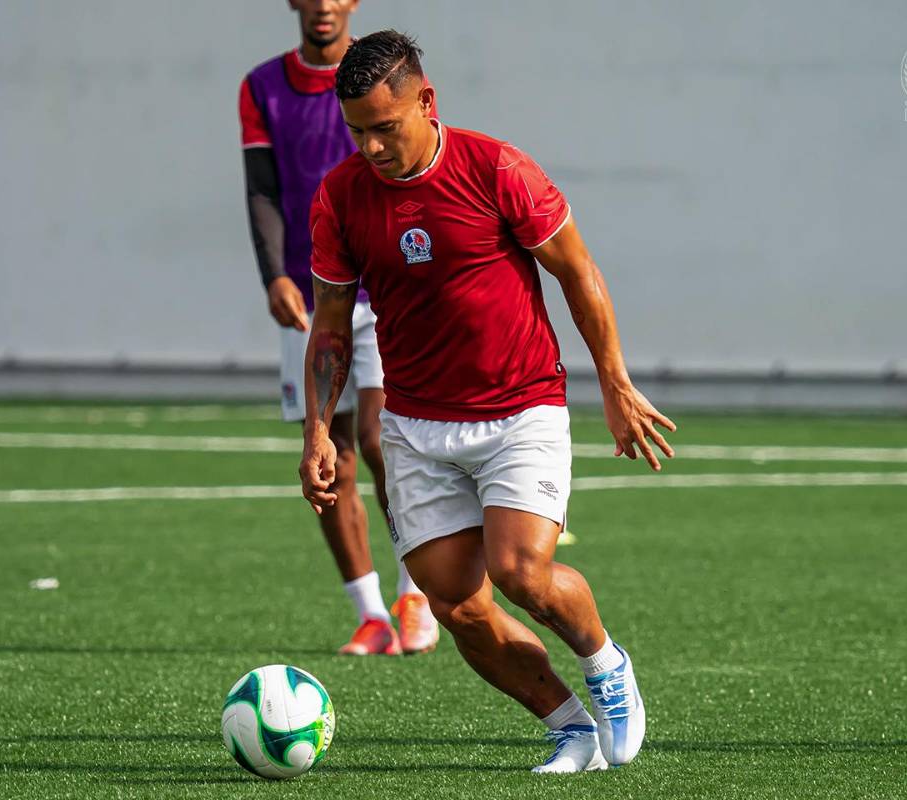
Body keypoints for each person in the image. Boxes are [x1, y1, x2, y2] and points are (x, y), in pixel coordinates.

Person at [300, 31, 676, 772]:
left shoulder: (496, 168)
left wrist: (614, 381)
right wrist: (317, 429)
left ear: (426, 101)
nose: (371, 148)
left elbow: (578, 271)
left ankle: (605, 662)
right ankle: (570, 728)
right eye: (357, 132)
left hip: (521, 408)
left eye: (385, 127)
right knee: (456, 605)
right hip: (416, 425)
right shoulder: (340, 197)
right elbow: (332, 324)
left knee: (520, 572)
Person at [240, 3, 438, 656]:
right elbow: (262, 190)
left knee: (385, 442)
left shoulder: (381, 76)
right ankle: (370, 615)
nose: (323, 4)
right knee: (332, 455)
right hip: (312, 295)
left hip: (381, 288)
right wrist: (274, 274)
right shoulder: (262, 86)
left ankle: (416, 595)